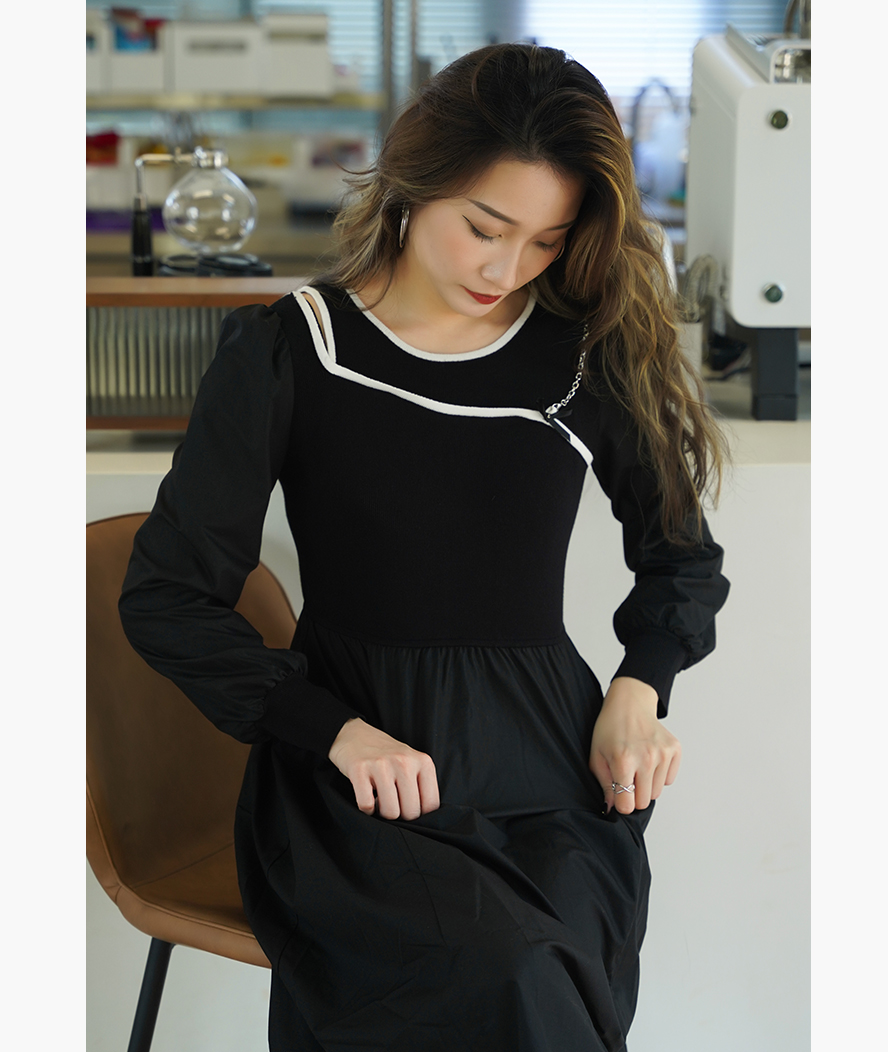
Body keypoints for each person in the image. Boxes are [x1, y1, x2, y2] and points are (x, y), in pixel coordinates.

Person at [120, 43, 730, 1052]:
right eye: (484, 227)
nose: (505, 269)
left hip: (551, 764)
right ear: (414, 181)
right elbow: (167, 597)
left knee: (552, 960)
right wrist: (332, 730)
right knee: (508, 971)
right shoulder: (290, 351)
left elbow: (682, 556)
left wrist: (640, 688)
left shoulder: (580, 357)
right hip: (358, 769)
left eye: (545, 241)